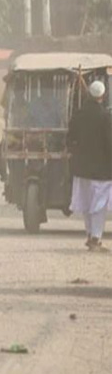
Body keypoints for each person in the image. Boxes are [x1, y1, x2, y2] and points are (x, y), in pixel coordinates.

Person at [67, 80, 112, 252]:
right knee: (98, 205)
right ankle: (95, 238)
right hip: (101, 171)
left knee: (86, 204)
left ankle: (89, 235)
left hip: (81, 168)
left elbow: (70, 138)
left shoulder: (78, 115)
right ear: (102, 95)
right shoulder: (106, 117)